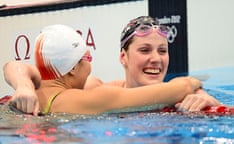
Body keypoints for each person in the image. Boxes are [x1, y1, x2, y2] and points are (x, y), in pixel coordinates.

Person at [3, 18, 219, 115]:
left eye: (162, 51)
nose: (156, 58)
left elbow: (15, 66)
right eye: (144, 50)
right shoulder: (92, 93)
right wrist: (194, 82)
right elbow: (178, 87)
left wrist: (22, 85)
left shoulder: (36, 89)